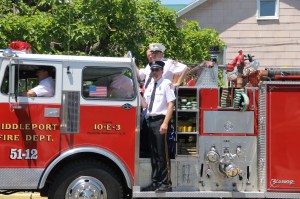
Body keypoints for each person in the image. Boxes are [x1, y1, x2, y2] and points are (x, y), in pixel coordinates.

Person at [140, 61, 176, 192]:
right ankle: (155, 182)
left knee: (162, 154)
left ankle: (166, 183)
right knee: (153, 154)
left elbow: (171, 104)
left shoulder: (166, 84)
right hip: (149, 121)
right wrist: (137, 94)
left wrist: (165, 123)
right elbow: (145, 105)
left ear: (162, 71)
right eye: (152, 70)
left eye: (156, 70)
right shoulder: (149, 85)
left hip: (161, 120)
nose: (154, 72)